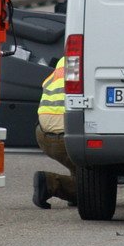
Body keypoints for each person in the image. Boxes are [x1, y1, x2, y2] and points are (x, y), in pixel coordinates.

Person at [32, 57, 77, 208]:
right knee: (96, 185)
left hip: (43, 133)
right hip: (67, 136)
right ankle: (50, 183)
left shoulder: (66, 59)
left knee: (80, 168)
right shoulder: (96, 58)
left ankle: (75, 190)